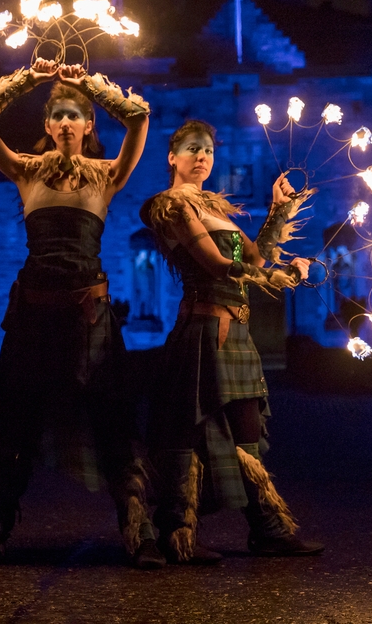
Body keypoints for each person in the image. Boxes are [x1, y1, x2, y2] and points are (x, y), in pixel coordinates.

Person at [0, 59, 164, 569]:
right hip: (34, 313)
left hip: (89, 314)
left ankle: (139, 529)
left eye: (78, 115)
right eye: (60, 116)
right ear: (49, 127)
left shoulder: (107, 175)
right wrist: (31, 78)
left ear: (89, 125)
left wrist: (89, 84)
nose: (69, 122)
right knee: (15, 420)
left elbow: (139, 119)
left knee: (114, 421)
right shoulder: (25, 171)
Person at [140, 119, 324, 562]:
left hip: (235, 330)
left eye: (207, 149)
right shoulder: (169, 205)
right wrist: (276, 276)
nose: (201, 156)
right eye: (191, 148)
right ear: (172, 156)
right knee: (192, 430)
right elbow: (218, 264)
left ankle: (265, 528)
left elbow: (255, 254)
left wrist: (278, 211)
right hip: (206, 328)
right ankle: (178, 531)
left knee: (245, 434)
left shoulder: (214, 210)